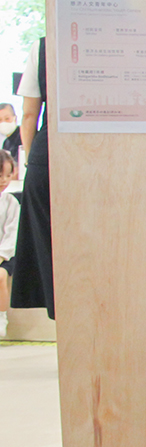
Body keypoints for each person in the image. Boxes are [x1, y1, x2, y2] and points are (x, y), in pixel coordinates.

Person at [10, 39, 54, 319]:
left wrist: (29, 161)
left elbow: (29, 115)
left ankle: (64, 321)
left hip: (50, 151)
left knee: (51, 247)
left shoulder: (44, 46)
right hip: (116, 150)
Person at [0, 150, 20, 338]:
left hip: (5, 256)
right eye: (0, 175)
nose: (4, 181)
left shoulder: (10, 202)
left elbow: (12, 233)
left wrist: (1, 255)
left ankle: (1, 318)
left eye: (8, 175)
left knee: (0, 276)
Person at [0, 103, 21, 172]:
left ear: (15, 118)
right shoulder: (6, 142)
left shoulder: (23, 136)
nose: (3, 123)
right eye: (0, 120)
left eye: (7, 119)